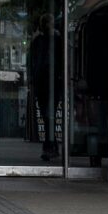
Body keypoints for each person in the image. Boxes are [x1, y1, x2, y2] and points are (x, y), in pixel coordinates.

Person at [29, 13, 63, 161]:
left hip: (51, 81)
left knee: (48, 115)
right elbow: (33, 61)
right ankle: (52, 146)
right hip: (44, 82)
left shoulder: (54, 40)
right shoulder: (41, 41)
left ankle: (49, 147)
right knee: (47, 115)